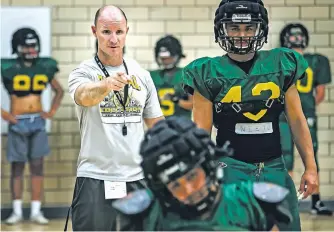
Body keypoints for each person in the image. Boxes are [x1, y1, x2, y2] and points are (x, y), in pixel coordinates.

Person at [181, 0, 318, 230]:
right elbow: (201, 133)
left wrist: (311, 167)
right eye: (234, 28)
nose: (242, 35)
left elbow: (296, 120)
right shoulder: (205, 72)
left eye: (249, 28)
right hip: (230, 168)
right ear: (222, 30)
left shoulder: (281, 63)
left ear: (260, 29)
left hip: (274, 167)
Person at [66, 5, 164, 231]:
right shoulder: (83, 72)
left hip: (137, 176)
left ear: (127, 32)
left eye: (119, 32)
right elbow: (84, 96)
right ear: (94, 31)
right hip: (95, 177)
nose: (113, 39)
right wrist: (106, 85)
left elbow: (157, 126)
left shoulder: (142, 75)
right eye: (106, 31)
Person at [112, 116, 293, 231]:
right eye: (176, 185)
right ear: (163, 190)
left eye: (192, 176)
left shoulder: (250, 202)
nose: (189, 190)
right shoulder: (148, 214)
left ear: (207, 167)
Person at [1, 27, 64, 224]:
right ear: (18, 47)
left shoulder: (44, 66)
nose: (31, 49)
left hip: (37, 120)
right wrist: (4, 113)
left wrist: (51, 112)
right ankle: (17, 210)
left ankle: (36, 210)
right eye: (26, 45)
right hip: (17, 121)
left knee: (38, 167)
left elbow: (59, 91)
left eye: (33, 45)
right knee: (17, 168)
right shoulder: (9, 66)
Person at [279, 23, 332, 216]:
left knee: (310, 156)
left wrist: (303, 110)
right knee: (286, 158)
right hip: (288, 116)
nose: (296, 40)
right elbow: (318, 94)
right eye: (293, 37)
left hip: (296, 115)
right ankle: (286, 202)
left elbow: (320, 93)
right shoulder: (283, 59)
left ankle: (314, 202)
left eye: (297, 36)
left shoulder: (282, 60)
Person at [150, 35, 193, 119]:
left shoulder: (187, 75)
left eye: (169, 58)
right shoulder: (151, 75)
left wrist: (176, 100)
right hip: (159, 126)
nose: (166, 61)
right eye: (163, 58)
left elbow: (193, 104)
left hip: (182, 126)